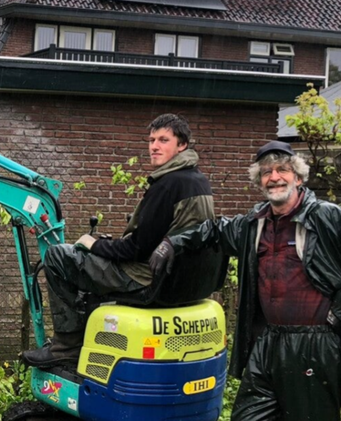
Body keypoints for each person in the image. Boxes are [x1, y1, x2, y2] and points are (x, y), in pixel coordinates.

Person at [149, 141, 341, 421]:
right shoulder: (253, 224)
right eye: (266, 172)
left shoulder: (326, 217)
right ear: (259, 181)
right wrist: (173, 242)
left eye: (282, 169)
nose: (274, 177)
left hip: (315, 345)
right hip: (268, 344)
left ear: (298, 177)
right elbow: (213, 229)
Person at [22, 113, 215, 369]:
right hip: (177, 279)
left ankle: (66, 347)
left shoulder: (168, 184)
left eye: (163, 140)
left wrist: (93, 244)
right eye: (151, 140)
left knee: (58, 256)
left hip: (145, 277)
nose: (154, 146)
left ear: (182, 145)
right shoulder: (199, 182)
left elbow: (136, 249)